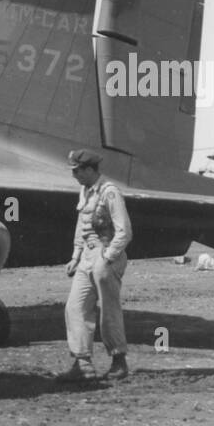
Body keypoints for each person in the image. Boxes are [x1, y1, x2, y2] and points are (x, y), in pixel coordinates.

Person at [56, 148, 133, 382]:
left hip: (105, 252)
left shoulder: (110, 192)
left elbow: (125, 231)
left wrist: (108, 257)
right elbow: (82, 225)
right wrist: (76, 255)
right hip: (87, 256)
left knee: (109, 310)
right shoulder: (85, 191)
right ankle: (83, 363)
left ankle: (119, 361)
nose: (74, 175)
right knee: (74, 307)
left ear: (90, 170)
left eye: (77, 170)